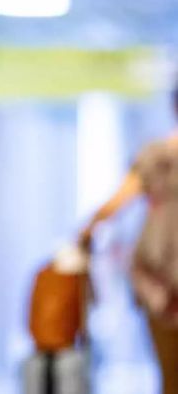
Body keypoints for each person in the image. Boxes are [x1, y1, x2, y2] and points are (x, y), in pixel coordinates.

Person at [81, 89, 178, 394]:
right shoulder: (156, 157)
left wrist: (86, 232)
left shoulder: (156, 156)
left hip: (158, 279)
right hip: (160, 279)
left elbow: (116, 203)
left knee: (171, 374)